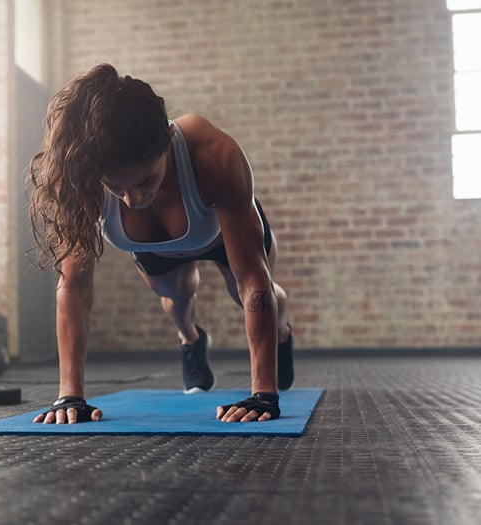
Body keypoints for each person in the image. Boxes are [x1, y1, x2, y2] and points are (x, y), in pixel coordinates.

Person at [27, 64, 293, 425]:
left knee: (253, 296)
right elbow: (74, 285)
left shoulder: (215, 154)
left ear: (168, 139)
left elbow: (250, 278)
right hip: (156, 248)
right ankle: (192, 340)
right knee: (178, 297)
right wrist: (70, 396)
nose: (133, 201)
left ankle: (283, 330)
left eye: (146, 180)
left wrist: (264, 393)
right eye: (116, 187)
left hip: (221, 233)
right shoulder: (79, 179)